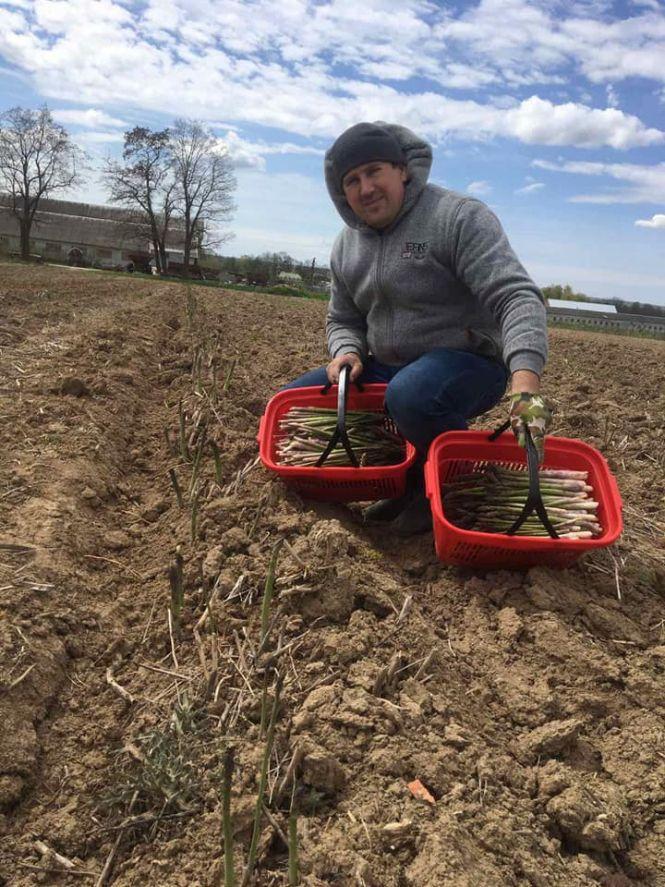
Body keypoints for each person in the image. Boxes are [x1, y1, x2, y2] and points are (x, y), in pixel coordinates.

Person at [284, 121, 551, 536]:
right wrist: (347, 350)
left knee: (410, 394)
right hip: (387, 365)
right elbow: (343, 318)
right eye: (352, 180)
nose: (366, 188)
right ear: (342, 192)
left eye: (374, 171)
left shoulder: (457, 217)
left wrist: (526, 385)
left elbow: (516, 297)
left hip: (468, 362)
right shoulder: (346, 245)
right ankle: (402, 482)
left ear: (403, 170)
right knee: (293, 402)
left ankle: (454, 484)